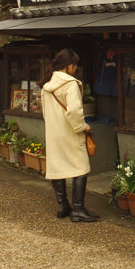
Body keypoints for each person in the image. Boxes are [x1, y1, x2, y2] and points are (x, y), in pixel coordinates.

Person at [41, 48, 99, 222]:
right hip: (70, 132)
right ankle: (78, 209)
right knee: (80, 168)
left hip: (54, 133)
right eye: (75, 65)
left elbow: (45, 112)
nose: (76, 69)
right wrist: (82, 127)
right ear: (69, 66)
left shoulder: (47, 84)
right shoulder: (70, 84)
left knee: (57, 167)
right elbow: (74, 111)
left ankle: (63, 206)